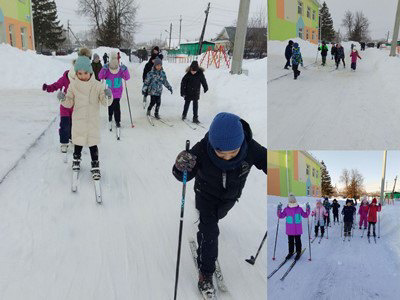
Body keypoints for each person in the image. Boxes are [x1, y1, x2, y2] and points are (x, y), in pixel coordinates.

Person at [172, 112, 267, 295]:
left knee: (218, 217)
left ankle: (207, 227)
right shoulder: (201, 150)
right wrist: (180, 167)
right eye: (221, 153)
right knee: (209, 230)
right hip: (205, 194)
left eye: (233, 152)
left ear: (241, 143)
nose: (227, 157)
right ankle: (205, 273)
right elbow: (182, 176)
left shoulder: (250, 148)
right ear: (213, 146)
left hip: (229, 198)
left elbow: (269, 162)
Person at [59, 53, 112, 179]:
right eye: (80, 74)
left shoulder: (97, 85)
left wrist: (108, 96)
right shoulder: (73, 86)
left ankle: (95, 165)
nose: (83, 76)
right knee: (78, 142)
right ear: (76, 74)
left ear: (90, 72)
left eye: (85, 73)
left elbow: (105, 102)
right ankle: (76, 160)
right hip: (79, 121)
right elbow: (69, 102)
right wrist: (63, 98)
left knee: (93, 145)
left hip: (92, 121)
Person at [42, 48, 92, 153]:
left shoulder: (83, 79)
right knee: (65, 125)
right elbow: (58, 84)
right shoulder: (66, 76)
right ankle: (64, 143)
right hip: (65, 106)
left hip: (77, 107)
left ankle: (73, 139)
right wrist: (49, 87)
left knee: (74, 125)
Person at [99, 52, 131, 129]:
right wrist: (104, 69)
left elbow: (127, 77)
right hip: (109, 91)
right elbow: (100, 76)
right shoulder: (107, 71)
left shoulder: (120, 70)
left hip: (117, 92)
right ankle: (110, 115)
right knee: (110, 104)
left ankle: (117, 121)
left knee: (116, 106)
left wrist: (125, 69)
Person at [277, 194, 310, 259]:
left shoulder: (299, 209)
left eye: (293, 200)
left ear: (295, 200)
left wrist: (308, 208)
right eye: (291, 200)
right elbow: (280, 216)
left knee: (298, 241)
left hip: (298, 229)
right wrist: (279, 209)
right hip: (290, 229)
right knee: (290, 241)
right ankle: (290, 252)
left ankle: (298, 252)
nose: (292, 201)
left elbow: (305, 215)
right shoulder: (286, 209)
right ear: (289, 201)